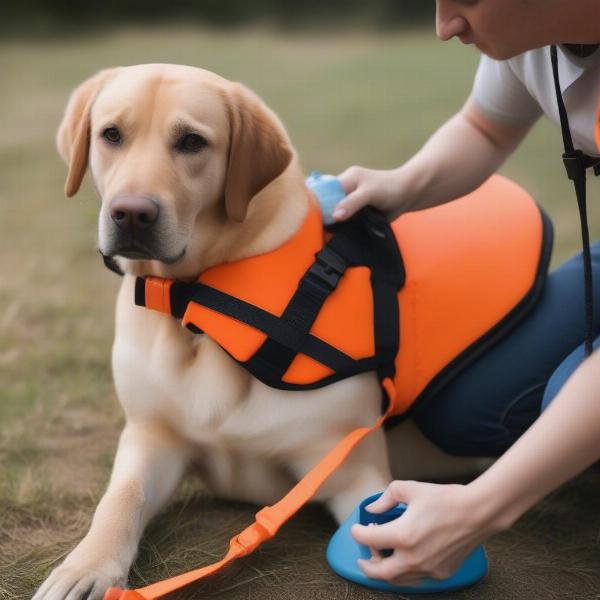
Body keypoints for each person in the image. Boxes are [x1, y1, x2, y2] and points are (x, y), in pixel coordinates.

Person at [335, 0, 600, 585]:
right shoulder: (537, 39)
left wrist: (480, 509)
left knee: (567, 403)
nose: (445, 26)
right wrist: (401, 186)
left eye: (466, 1)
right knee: (465, 416)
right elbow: (485, 126)